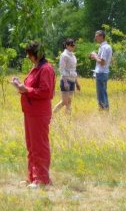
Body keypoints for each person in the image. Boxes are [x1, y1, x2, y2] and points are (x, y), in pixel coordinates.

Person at [11, 41, 55, 189]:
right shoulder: (36, 68)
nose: (28, 57)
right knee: (31, 146)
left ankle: (42, 180)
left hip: (39, 113)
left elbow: (45, 91)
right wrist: (20, 86)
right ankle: (32, 177)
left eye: (30, 54)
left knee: (40, 146)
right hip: (30, 112)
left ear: (37, 54)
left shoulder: (46, 69)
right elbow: (31, 87)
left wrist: (27, 90)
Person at [53, 38, 80, 114]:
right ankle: (52, 115)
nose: (73, 47)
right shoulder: (64, 55)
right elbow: (62, 69)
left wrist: (77, 83)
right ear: (67, 46)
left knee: (69, 101)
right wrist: (65, 82)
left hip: (72, 80)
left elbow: (74, 70)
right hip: (66, 80)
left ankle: (68, 120)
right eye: (71, 45)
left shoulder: (73, 56)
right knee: (64, 101)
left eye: (74, 45)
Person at [90, 30, 112, 110]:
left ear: (101, 37)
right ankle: (105, 110)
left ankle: (103, 111)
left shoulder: (104, 47)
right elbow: (102, 60)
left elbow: (102, 62)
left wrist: (95, 56)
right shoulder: (106, 47)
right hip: (104, 72)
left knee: (101, 94)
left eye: (97, 36)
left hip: (101, 73)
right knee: (103, 93)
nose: (95, 38)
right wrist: (96, 56)